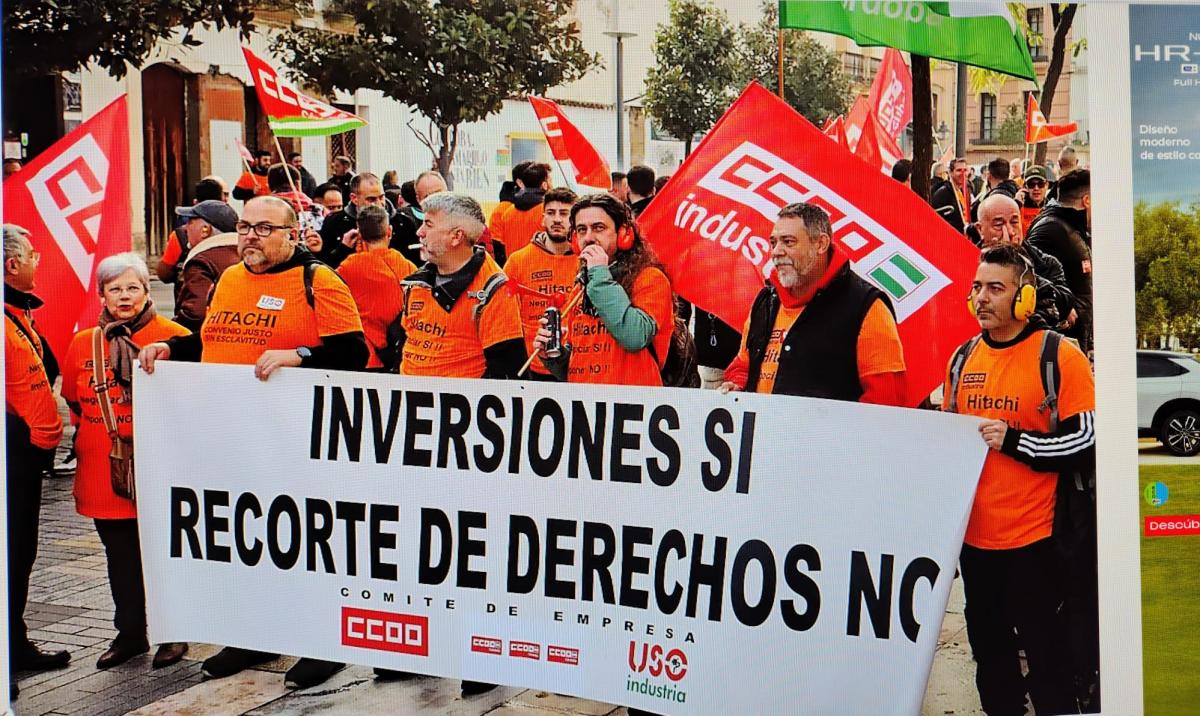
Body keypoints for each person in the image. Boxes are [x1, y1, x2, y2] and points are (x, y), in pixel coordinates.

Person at [138, 195, 367, 689]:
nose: (250, 237)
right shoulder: (232, 279)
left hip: (296, 439)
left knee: (306, 542)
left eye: (265, 229)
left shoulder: (318, 280)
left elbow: (354, 352)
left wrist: (299, 354)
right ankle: (253, 632)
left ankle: (323, 641)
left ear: (292, 234)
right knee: (249, 540)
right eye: (245, 227)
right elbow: (210, 338)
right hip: (234, 436)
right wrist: (170, 347)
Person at [944, 243, 1095, 716]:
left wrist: (1017, 443)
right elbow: (949, 446)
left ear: (1024, 298)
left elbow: (1087, 439)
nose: (982, 298)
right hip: (976, 545)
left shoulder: (1060, 357)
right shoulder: (962, 358)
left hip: (1036, 543)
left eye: (995, 288)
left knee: (1048, 656)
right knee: (990, 658)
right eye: (976, 288)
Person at [387, 193, 524, 697]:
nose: (419, 232)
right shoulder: (416, 284)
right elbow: (404, 349)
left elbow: (506, 373)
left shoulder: (493, 290)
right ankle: (421, 646)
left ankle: (483, 653)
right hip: (414, 438)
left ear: (458, 237)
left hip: (465, 445)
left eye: (429, 224)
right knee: (420, 545)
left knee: (472, 551)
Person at [60, 253, 191, 670]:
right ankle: (131, 632)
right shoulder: (84, 342)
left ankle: (174, 633)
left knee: (165, 553)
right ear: (101, 295)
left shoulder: (174, 336)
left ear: (147, 292)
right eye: (114, 288)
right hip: (105, 471)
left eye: (133, 287)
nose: (124, 296)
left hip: (163, 466)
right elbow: (74, 403)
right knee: (120, 555)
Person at [719, 203, 906, 404]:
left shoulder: (866, 307)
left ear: (821, 244)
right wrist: (737, 384)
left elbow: (886, 401)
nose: (776, 252)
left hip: (829, 434)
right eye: (773, 243)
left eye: (788, 242)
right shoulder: (766, 301)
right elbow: (743, 365)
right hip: (765, 433)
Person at [5, 225, 70, 685]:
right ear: (12, 265)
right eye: (33, 255)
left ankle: (15, 641)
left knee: (19, 552)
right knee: (11, 551)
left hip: (22, 453)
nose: (37, 261)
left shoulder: (16, 310)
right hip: (12, 452)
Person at [533, 193, 674, 387]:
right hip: (587, 406)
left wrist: (599, 273)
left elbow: (634, 337)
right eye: (581, 230)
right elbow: (578, 365)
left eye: (599, 228)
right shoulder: (580, 289)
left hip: (631, 406)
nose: (589, 237)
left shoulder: (651, 279)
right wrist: (552, 354)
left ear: (624, 233)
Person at [503, 187, 578, 380]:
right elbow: (506, 316)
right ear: (542, 218)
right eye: (551, 213)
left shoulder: (587, 261)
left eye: (564, 213)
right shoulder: (518, 261)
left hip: (577, 364)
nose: (557, 220)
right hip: (532, 365)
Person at [335, 204, 417, 370]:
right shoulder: (408, 267)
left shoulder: (348, 267)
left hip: (364, 355)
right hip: (399, 352)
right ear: (389, 231)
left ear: (359, 233)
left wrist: (342, 248)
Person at [973, 194, 1073, 330]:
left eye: (1014, 222)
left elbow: (1064, 305)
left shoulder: (1046, 263)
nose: (1009, 231)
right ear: (980, 229)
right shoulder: (968, 264)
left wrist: (1016, 263)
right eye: (998, 224)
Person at [1027, 169, 1092, 355]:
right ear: (1086, 200)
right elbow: (1029, 276)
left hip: (1078, 344)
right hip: (1058, 347)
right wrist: (1064, 309)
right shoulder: (1051, 228)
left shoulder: (1073, 229)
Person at [172, 202, 242, 331]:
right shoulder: (245, 256)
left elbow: (196, 313)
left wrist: (172, 333)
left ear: (205, 230)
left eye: (190, 222)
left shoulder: (201, 262)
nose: (185, 228)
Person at [156, 178, 234, 284]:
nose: (186, 227)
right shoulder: (235, 233)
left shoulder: (181, 237)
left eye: (190, 221)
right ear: (223, 199)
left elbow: (164, 274)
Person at [492, 162, 551, 256]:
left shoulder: (508, 212)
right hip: (542, 267)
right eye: (550, 180)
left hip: (512, 267)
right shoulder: (548, 212)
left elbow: (499, 245)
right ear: (544, 185)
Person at [488, 160, 533, 241]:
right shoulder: (502, 211)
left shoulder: (545, 207)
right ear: (520, 183)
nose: (546, 184)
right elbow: (497, 245)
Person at [931, 158, 971, 234]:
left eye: (965, 170)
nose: (963, 174)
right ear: (950, 173)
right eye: (959, 170)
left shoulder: (965, 191)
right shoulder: (943, 193)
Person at [1016, 165, 1050, 234]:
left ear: (1047, 185)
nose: (1036, 188)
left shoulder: (1051, 208)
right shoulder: (1018, 208)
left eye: (1040, 184)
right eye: (1031, 184)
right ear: (1025, 186)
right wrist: (1017, 204)